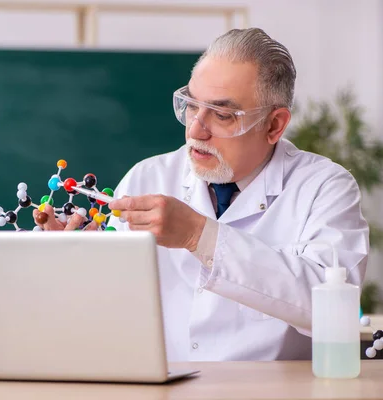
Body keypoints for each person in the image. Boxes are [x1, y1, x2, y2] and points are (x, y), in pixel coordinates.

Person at [34, 27, 370, 362]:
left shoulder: (325, 188)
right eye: (192, 106)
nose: (195, 130)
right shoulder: (149, 177)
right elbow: (110, 310)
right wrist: (72, 266)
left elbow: (332, 313)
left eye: (222, 115)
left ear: (274, 125)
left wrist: (199, 236)